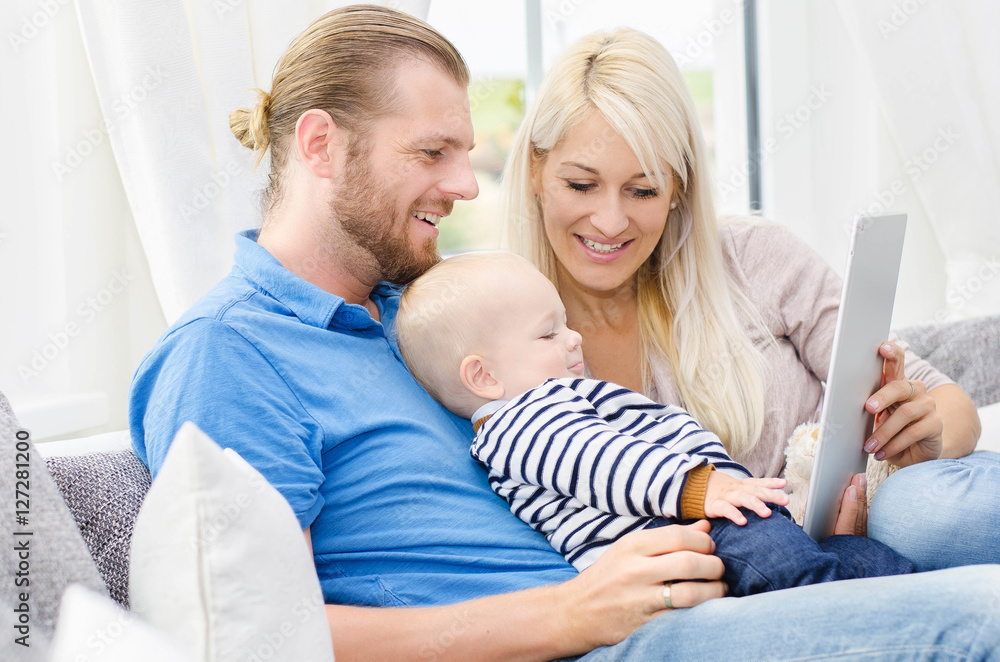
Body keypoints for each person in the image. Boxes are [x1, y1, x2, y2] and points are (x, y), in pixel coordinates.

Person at [128, 6, 1000, 660]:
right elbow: (251, 635)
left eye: (465, 153)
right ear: (320, 145)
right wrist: (567, 613)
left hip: (683, 596)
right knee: (979, 619)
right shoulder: (232, 352)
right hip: (600, 638)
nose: (468, 186)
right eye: (432, 154)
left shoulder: (418, 315)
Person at [501, 26, 1000, 573]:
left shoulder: (753, 258)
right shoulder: (493, 330)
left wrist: (923, 438)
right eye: (580, 185)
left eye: (642, 190)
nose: (610, 221)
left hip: (886, 521)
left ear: (677, 191)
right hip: (757, 586)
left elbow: (951, 405)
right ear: (535, 170)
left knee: (921, 511)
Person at [395, 250, 915, 594]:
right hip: (688, 535)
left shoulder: (551, 401)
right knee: (819, 587)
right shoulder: (519, 425)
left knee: (860, 568)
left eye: (566, 325)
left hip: (711, 525)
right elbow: (597, 460)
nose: (573, 339)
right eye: (548, 335)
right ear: (482, 376)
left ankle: (906, 594)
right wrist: (698, 487)